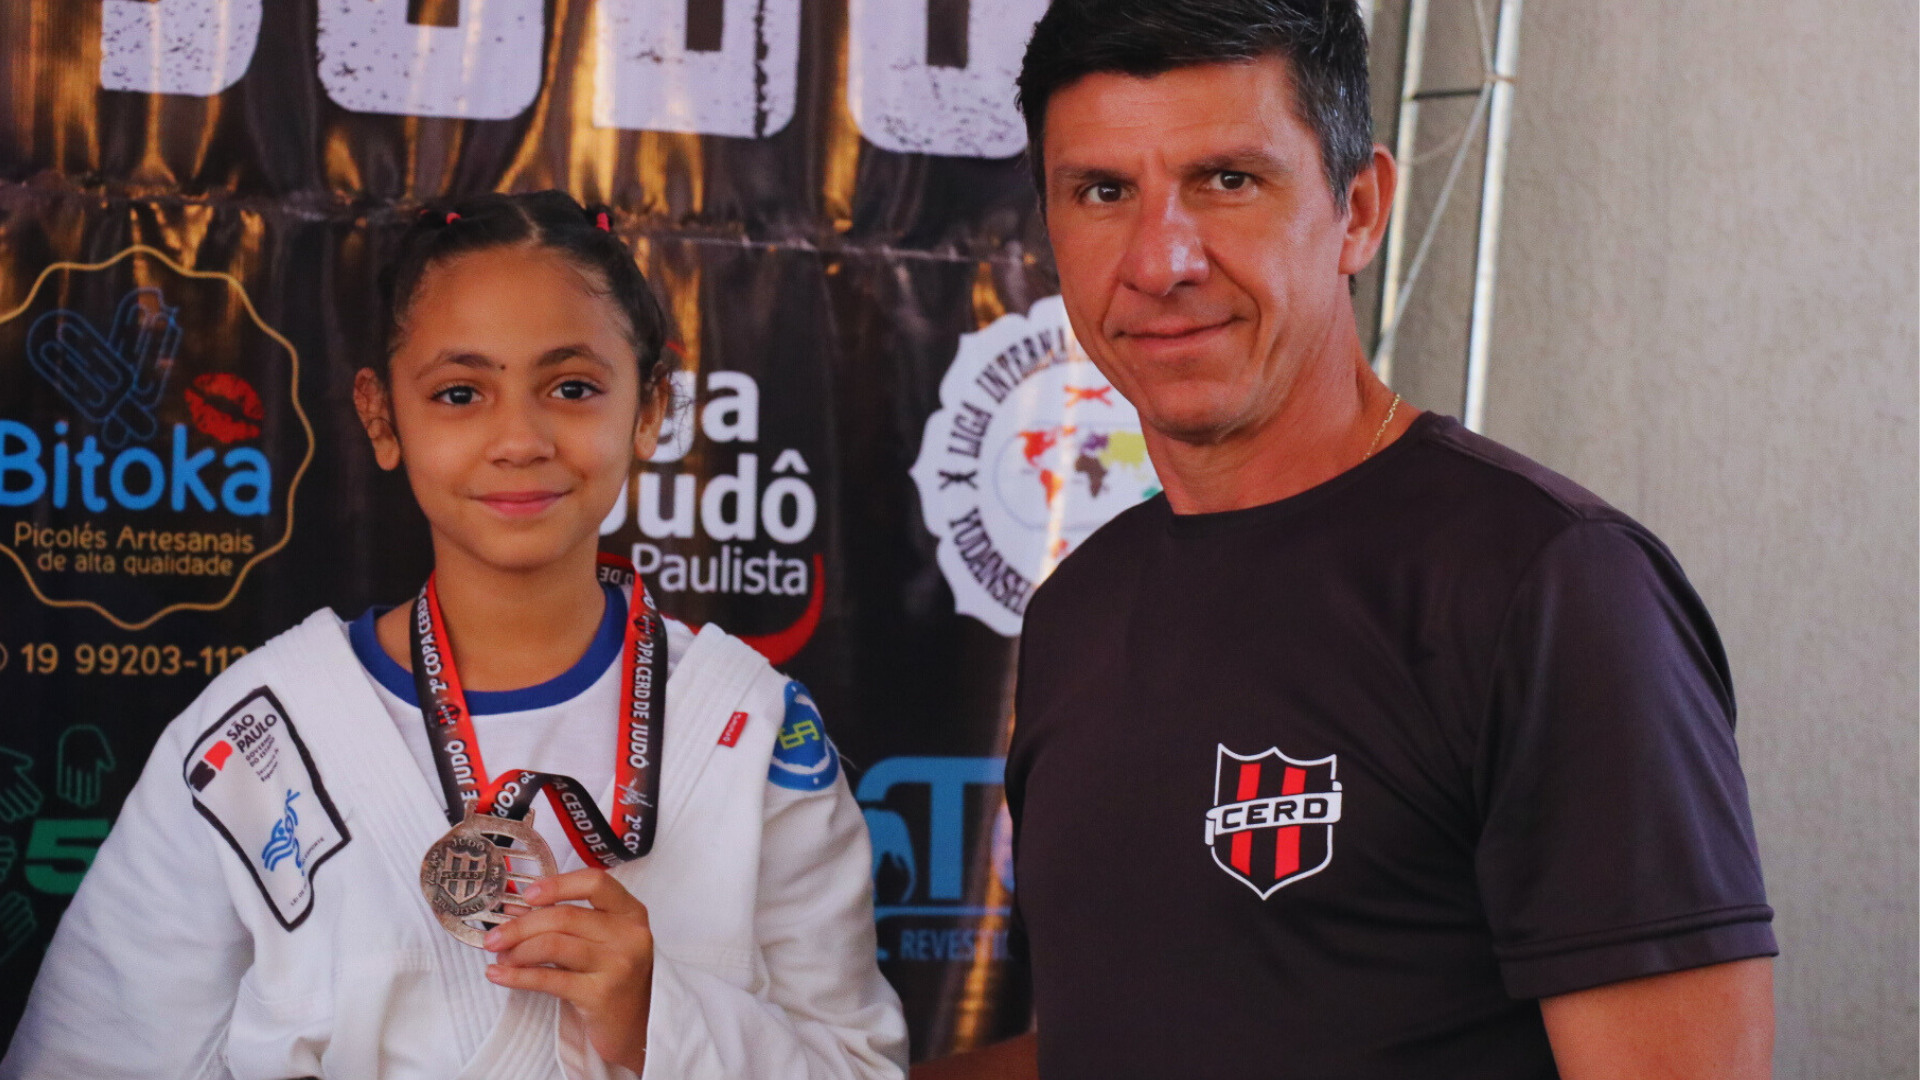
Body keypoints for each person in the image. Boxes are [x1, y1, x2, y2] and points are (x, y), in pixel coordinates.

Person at [918, 2, 1775, 1078]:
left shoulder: (1550, 587)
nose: (1160, 259)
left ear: (1359, 210)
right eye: (1102, 192)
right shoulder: (1076, 611)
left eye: (1228, 179)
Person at [3, 191, 908, 1080]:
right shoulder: (260, 731)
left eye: (573, 387)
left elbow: (858, 1068)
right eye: (460, 392)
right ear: (381, 417)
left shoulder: (747, 729)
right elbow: (88, 1059)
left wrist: (653, 1019)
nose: (519, 439)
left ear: (648, 410)